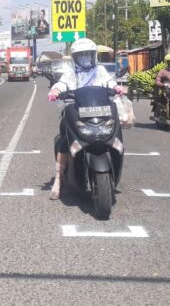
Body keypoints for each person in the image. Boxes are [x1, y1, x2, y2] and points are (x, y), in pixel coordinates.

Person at [47, 38, 125, 200]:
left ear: (93, 55)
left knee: (115, 132)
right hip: (76, 110)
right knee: (63, 139)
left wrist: (116, 87)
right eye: (81, 55)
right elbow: (61, 84)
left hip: (100, 110)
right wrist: (55, 91)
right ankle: (59, 179)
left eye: (88, 54)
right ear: (75, 58)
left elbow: (110, 82)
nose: (85, 58)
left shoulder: (100, 70)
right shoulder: (70, 72)